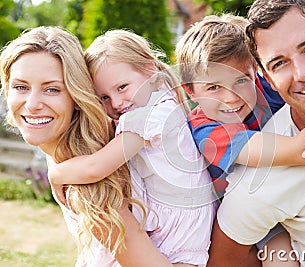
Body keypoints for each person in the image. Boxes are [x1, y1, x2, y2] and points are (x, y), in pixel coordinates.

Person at [175, 13, 305, 267]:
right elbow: (300, 150)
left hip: (292, 202)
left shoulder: (266, 88)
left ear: (256, 72)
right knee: (280, 259)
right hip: (248, 221)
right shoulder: (208, 131)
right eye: (213, 88)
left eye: (241, 80)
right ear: (190, 90)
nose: (231, 98)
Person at [0, 26, 178, 267]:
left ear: (77, 96)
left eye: (52, 89)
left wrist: (56, 174)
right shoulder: (75, 151)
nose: (32, 105)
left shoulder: (87, 184)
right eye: (21, 87)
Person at [48, 29, 217, 267]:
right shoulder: (162, 105)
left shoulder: (150, 117)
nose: (116, 103)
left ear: (149, 70)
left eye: (122, 87)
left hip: (177, 236)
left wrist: (55, 175)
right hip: (182, 234)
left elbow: (95, 168)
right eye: (103, 98)